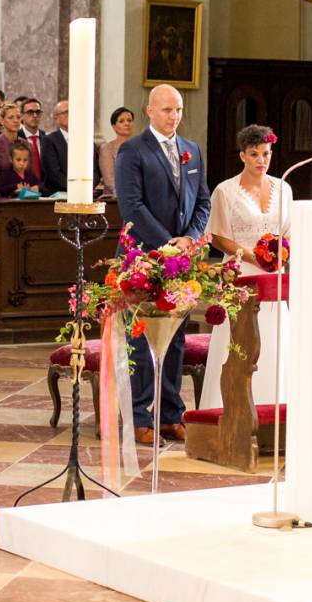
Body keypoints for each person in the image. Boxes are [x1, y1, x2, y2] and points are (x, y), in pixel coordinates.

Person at [113, 84, 210, 445]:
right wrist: (167, 244)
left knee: (176, 339)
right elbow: (132, 207)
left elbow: (202, 202)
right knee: (140, 339)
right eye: (167, 110)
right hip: (143, 259)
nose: (174, 117)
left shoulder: (191, 150)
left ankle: (170, 414)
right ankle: (139, 416)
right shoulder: (132, 151)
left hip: (180, 261)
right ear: (150, 111)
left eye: (179, 110)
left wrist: (190, 238)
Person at [201, 124, 293, 410]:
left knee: (274, 341)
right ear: (242, 156)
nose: (261, 160)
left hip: (274, 276)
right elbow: (218, 236)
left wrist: (280, 254)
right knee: (238, 342)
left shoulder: (284, 187)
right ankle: (228, 409)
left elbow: (288, 231)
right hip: (240, 272)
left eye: (265, 153)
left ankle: (276, 405)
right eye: (254, 154)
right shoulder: (226, 191)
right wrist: (254, 257)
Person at [98, 106, 135, 195]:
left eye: (129, 120)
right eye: (121, 121)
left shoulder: (140, 146)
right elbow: (109, 180)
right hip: (115, 199)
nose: (127, 123)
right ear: (114, 127)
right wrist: (127, 197)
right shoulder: (107, 148)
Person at [40, 99, 70, 196]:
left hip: (85, 192)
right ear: (56, 118)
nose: (70, 115)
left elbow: (94, 170)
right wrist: (75, 187)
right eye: (65, 112)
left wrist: (87, 185)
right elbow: (53, 173)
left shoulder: (85, 140)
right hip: (58, 194)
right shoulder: (49, 141)